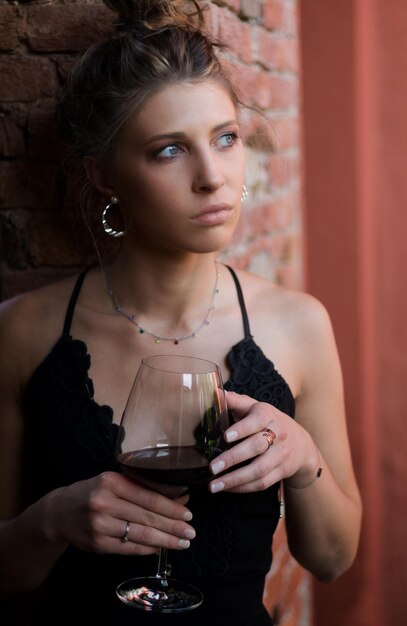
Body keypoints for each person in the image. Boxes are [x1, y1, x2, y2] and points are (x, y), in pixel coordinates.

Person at [0, 1, 362, 624]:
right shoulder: (25, 329)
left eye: (225, 139)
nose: (213, 177)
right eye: (169, 151)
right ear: (106, 175)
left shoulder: (298, 325)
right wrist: (52, 520)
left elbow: (331, 560)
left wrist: (304, 459)